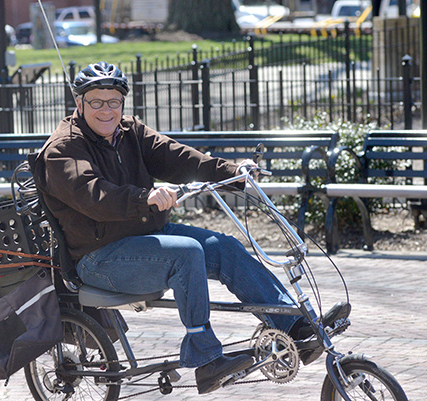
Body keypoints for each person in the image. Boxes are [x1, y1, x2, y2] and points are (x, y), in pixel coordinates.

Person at [31, 61, 349, 394]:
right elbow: (93, 195)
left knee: (224, 247)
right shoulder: (64, 148)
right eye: (96, 101)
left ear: (123, 103)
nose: (106, 109)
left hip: (144, 238)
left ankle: (293, 326)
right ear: (79, 104)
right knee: (186, 254)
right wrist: (146, 197)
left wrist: (232, 171)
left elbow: (178, 157)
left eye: (114, 101)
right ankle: (205, 358)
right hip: (99, 259)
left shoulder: (129, 132)